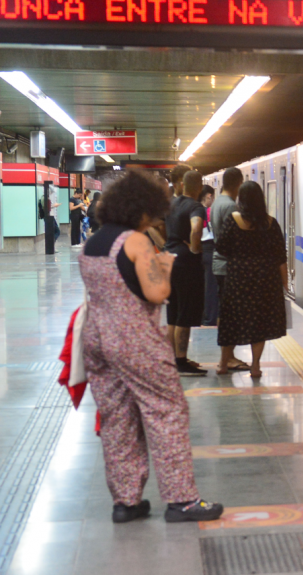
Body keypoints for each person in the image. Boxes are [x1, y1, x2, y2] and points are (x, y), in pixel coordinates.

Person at [80, 171, 223, 524]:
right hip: (134, 339)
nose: (158, 218)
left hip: (97, 338)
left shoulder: (93, 243)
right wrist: (162, 265)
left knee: (118, 418)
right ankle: (181, 499)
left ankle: (125, 501)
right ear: (141, 209)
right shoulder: (135, 242)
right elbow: (157, 292)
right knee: (167, 411)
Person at [216, 181, 288, 378]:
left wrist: (237, 255)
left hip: (238, 278)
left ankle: (223, 363)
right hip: (265, 279)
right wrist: (285, 283)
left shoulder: (232, 220)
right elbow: (280, 256)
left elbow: (221, 247)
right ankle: (255, 366)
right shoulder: (271, 223)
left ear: (242, 199)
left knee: (231, 320)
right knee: (259, 323)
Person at [165, 171, 207, 377]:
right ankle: (181, 361)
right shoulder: (195, 206)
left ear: (182, 185)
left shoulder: (172, 204)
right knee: (185, 312)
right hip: (186, 264)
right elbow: (196, 228)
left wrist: (166, 245)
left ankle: (173, 360)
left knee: (172, 313)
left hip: (168, 259)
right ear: (199, 187)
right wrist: (195, 249)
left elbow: (155, 225)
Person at [210, 168, 248, 371]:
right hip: (228, 266)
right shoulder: (231, 206)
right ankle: (228, 358)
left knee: (224, 312)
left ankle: (226, 356)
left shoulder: (217, 202)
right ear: (238, 184)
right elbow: (234, 240)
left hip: (219, 263)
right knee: (231, 315)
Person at [199, 185, 219, 326]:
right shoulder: (210, 211)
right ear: (209, 196)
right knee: (211, 287)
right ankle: (210, 318)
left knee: (203, 286)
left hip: (199, 249)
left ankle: (202, 316)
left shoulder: (195, 211)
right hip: (211, 249)